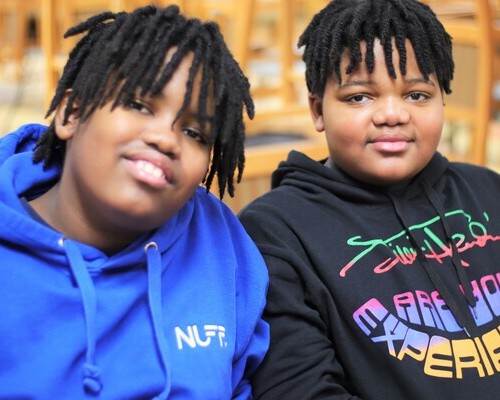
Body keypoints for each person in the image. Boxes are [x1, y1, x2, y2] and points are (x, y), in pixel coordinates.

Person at [0, 5, 269, 399]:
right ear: (71, 113)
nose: (165, 139)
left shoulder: (220, 243)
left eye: (195, 133)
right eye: (140, 106)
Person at [238, 0, 500, 398]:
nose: (392, 114)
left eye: (416, 94)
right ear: (317, 110)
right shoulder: (276, 232)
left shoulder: (488, 191)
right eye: (359, 97)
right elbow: (300, 388)